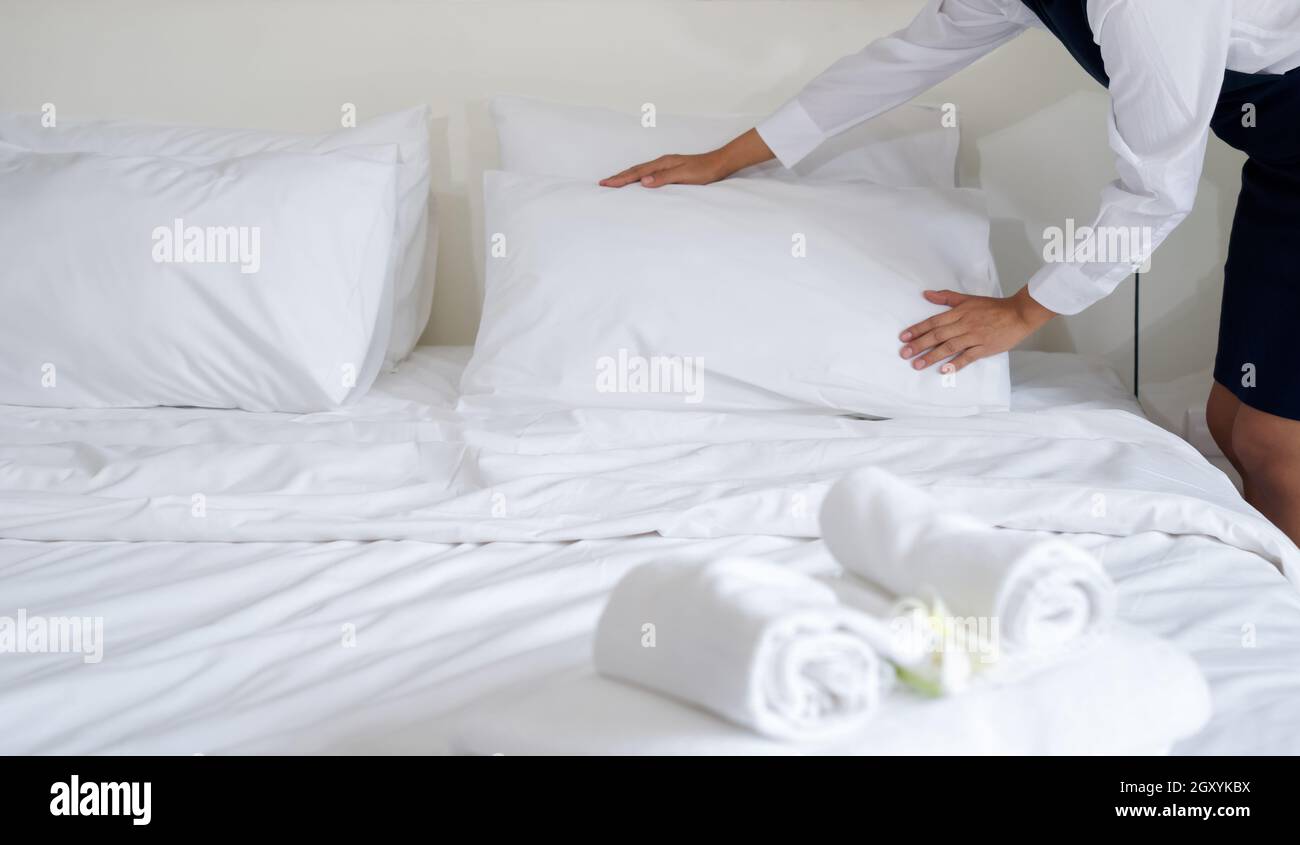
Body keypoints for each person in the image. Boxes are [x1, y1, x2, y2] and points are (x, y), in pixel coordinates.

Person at [600, 0, 1300, 544]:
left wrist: (1023, 311)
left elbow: (1157, 194)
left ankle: (1284, 643)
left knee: (1271, 441)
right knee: (1231, 420)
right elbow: (903, 60)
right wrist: (730, 156)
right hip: (1284, 165)